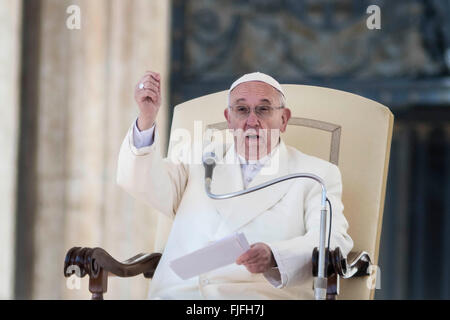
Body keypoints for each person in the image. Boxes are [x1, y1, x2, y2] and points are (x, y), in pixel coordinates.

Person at [117, 71, 353, 299]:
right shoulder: (199, 155)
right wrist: (147, 119)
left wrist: (275, 256)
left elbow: (333, 242)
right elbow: (142, 183)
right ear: (229, 119)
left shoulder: (315, 174)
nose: (252, 121)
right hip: (177, 294)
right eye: (242, 109)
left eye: (264, 109)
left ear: (284, 119)